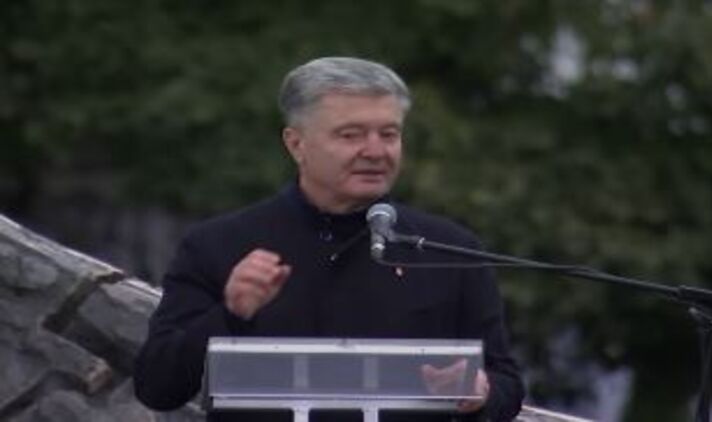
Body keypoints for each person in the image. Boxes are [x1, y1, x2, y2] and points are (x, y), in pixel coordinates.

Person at [134, 57, 524, 421]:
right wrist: (230, 314)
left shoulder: (449, 249)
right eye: (351, 135)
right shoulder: (219, 245)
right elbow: (157, 386)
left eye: (389, 134)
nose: (376, 151)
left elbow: (506, 383)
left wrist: (481, 391)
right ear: (296, 144)